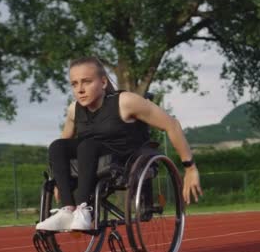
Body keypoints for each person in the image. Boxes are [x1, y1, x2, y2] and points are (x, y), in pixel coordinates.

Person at [36, 57, 203, 231]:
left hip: (124, 158)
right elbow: (64, 147)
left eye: (86, 82)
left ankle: (83, 210)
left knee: (87, 145)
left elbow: (171, 124)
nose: (80, 90)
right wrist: (59, 182)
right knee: (57, 146)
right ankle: (68, 210)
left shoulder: (125, 102)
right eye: (74, 84)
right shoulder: (74, 110)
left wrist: (190, 168)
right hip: (91, 159)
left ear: (102, 82)